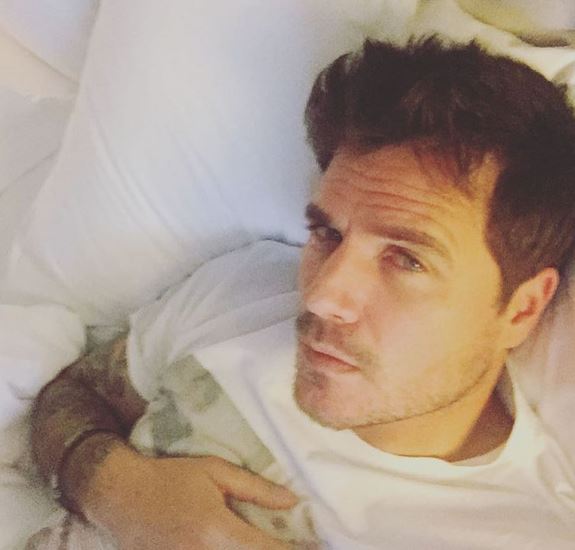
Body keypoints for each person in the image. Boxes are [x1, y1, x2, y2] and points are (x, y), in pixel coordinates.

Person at [30, 37, 575, 549]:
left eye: (407, 259)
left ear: (522, 309)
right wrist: (121, 494)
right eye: (327, 234)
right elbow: (73, 394)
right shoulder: (242, 291)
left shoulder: (524, 533)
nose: (321, 295)